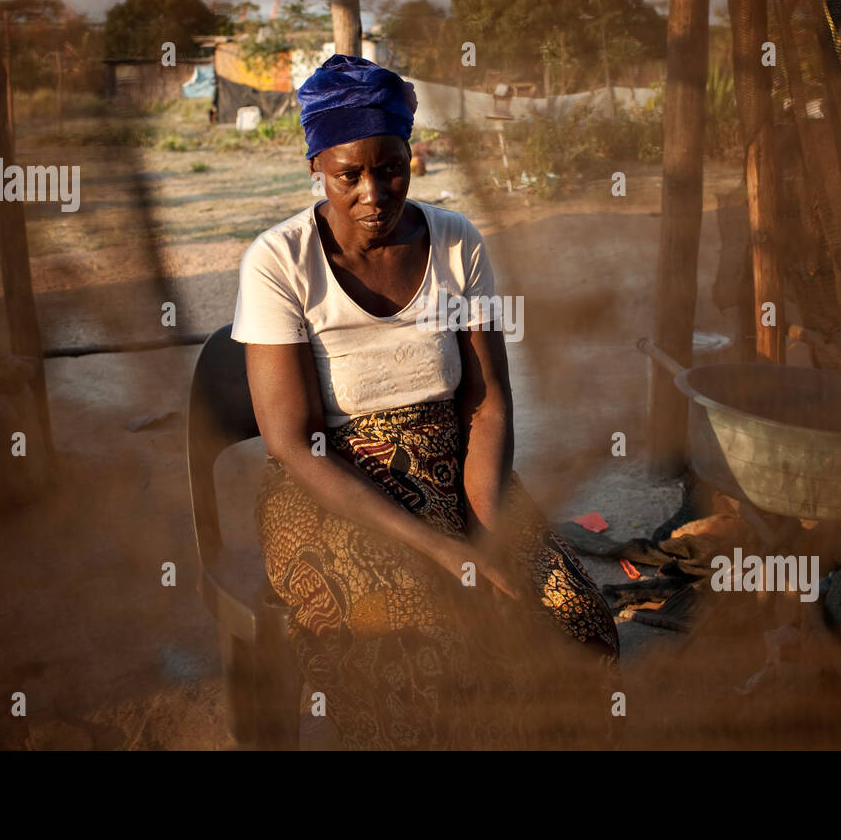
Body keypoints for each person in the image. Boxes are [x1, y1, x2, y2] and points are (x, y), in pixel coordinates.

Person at [232, 54, 618, 749]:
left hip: (456, 465)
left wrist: (486, 532)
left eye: (392, 168)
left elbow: (488, 401)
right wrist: (439, 554)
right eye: (350, 174)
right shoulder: (278, 261)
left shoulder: (456, 242)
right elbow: (293, 442)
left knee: (574, 622)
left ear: (412, 157)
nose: (375, 192)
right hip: (331, 483)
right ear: (316, 163)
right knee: (419, 647)